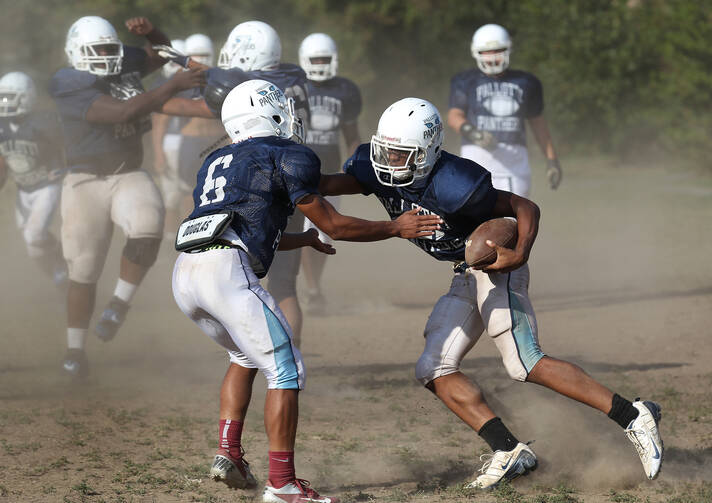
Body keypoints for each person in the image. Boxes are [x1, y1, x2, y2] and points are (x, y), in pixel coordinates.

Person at [319, 97, 663, 489]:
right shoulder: (374, 167)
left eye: (401, 154)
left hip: (493, 267)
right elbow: (329, 184)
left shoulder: (456, 183)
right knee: (432, 368)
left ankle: (632, 415)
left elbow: (523, 204)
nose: (389, 161)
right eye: (386, 150)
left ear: (428, 152)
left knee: (523, 362)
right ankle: (510, 450)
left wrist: (518, 253)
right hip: (463, 272)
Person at [171, 80, 440, 502]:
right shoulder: (287, 154)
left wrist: (302, 241)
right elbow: (333, 223)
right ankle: (282, 486)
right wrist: (394, 227)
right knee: (287, 368)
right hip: (225, 271)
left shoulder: (216, 160)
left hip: (186, 272)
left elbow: (242, 228)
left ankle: (230, 454)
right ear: (269, 115)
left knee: (243, 354)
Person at [49, 15, 207, 378]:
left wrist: (153, 33)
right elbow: (123, 111)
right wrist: (174, 85)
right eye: (97, 50)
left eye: (110, 48)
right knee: (83, 270)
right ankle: (75, 350)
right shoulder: (66, 81)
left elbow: (163, 54)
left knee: (149, 225)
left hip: (127, 172)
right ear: (76, 52)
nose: (106, 56)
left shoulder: (122, 61)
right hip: (84, 179)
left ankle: (119, 304)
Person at [448, 23, 561, 198]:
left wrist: (552, 159)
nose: (492, 57)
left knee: (513, 220)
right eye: (487, 52)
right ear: (476, 52)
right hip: (476, 158)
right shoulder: (465, 80)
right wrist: (473, 133)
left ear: (508, 49)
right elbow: (454, 116)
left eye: (497, 50)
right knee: (472, 220)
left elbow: (537, 123)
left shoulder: (527, 82)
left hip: (514, 163)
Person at [297, 33, 362, 315]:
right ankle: (305, 289)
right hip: (298, 169)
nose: (321, 64)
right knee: (302, 230)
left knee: (324, 232)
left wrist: (357, 161)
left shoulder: (345, 90)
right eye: (316, 59)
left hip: (331, 171)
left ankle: (314, 288)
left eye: (324, 58)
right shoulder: (295, 87)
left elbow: (351, 134)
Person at [0, 71, 67, 286]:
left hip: (46, 185)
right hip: (23, 189)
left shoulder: (44, 122)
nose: (4, 102)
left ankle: (63, 258)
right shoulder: (2, 125)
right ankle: (59, 278)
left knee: (34, 234)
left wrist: (65, 169)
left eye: (9, 97)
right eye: (2, 97)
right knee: (32, 247)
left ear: (26, 97)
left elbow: (66, 146)